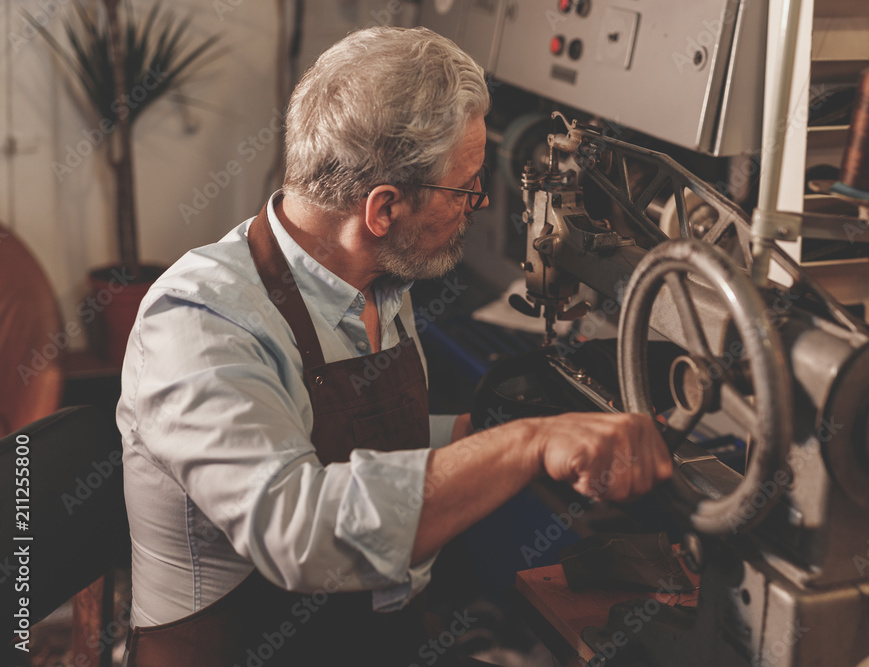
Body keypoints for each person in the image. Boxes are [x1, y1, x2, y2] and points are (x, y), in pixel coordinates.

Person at [118, 26, 671, 667]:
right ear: (382, 209)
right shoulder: (200, 324)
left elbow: (348, 448)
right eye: (466, 188)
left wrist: (482, 430)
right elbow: (301, 533)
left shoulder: (375, 276)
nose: (479, 202)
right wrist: (526, 445)